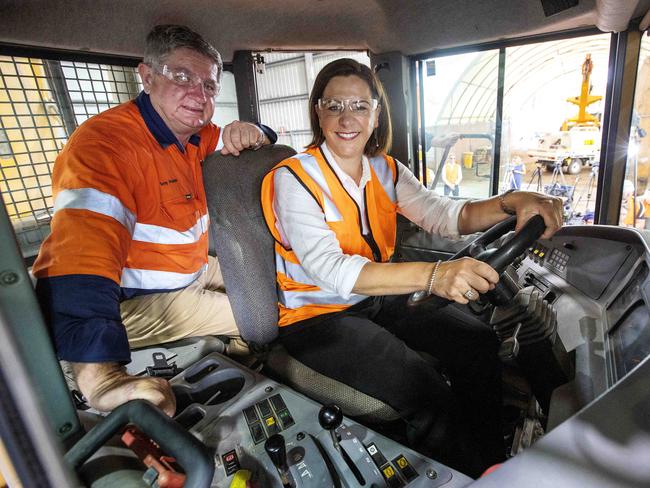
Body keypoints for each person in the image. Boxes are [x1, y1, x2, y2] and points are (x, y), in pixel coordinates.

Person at [260, 58, 562, 476]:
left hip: (374, 299)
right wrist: (434, 276)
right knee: (426, 391)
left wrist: (512, 202)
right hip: (318, 317)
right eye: (334, 106)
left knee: (477, 340)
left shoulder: (384, 168)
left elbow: (444, 214)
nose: (347, 118)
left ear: (376, 113)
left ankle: (491, 464)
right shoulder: (293, 178)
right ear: (318, 111)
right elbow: (331, 269)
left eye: (360, 106)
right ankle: (460, 472)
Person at [32, 25, 277, 417]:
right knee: (259, 313)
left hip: (185, 269)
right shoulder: (106, 146)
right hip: (128, 298)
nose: (199, 95)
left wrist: (257, 130)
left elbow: (245, 137)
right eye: (182, 77)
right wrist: (102, 380)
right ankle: (249, 359)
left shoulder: (195, 136)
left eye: (209, 86)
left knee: (269, 280)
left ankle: (241, 350)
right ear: (147, 77)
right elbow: (82, 259)